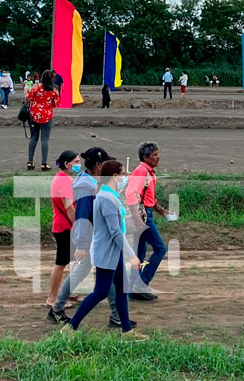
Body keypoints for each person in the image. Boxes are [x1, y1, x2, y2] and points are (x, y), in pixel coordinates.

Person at [49, 148, 136, 330]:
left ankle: (117, 317)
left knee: (108, 280)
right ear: (98, 165)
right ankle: (58, 308)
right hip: (94, 238)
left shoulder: (93, 183)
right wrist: (82, 242)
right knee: (97, 280)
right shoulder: (86, 185)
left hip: (98, 237)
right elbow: (81, 214)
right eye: (105, 163)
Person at [63, 160, 145, 337]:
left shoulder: (108, 195)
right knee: (100, 292)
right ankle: (70, 327)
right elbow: (115, 232)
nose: (126, 177)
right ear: (114, 176)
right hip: (107, 253)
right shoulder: (107, 199)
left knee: (120, 291)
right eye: (123, 174)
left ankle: (127, 331)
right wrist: (132, 256)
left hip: (113, 252)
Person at [126, 142, 170, 301]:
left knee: (139, 252)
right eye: (155, 154)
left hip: (144, 214)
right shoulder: (141, 172)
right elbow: (131, 195)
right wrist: (138, 220)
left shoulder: (148, 172)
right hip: (143, 216)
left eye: (158, 154)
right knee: (160, 249)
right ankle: (141, 284)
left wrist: (161, 211)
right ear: (146, 157)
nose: (158, 157)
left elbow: (148, 197)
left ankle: (132, 288)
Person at [46, 150, 81, 308]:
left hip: (62, 225)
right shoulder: (65, 181)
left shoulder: (60, 178)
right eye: (75, 162)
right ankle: (52, 299)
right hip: (65, 226)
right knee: (61, 263)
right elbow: (69, 207)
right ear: (67, 164)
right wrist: (78, 225)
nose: (78, 165)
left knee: (72, 260)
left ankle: (69, 291)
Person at [26, 70, 60, 170]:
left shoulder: (36, 87)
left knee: (34, 138)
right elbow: (56, 103)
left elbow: (28, 98)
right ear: (52, 78)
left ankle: (30, 162)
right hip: (47, 116)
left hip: (34, 115)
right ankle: (44, 163)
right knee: (45, 140)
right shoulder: (54, 90)